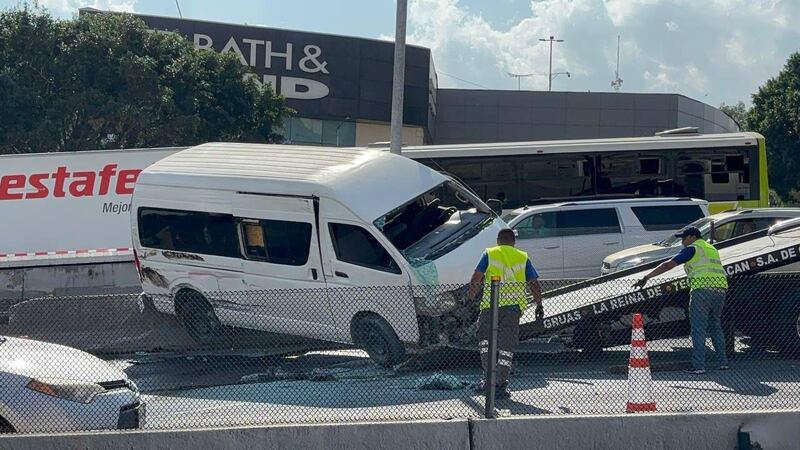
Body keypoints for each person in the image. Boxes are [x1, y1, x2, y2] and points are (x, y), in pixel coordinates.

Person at [633, 226, 729, 374]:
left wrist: (646, 277)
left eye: (684, 238)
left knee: (698, 329)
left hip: (702, 289)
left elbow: (668, 265)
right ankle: (723, 362)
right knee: (715, 326)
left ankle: (699, 366)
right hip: (720, 289)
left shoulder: (692, 249)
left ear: (692, 237)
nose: (682, 241)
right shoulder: (711, 248)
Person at [468, 228, 544, 399]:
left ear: (498, 241)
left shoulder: (489, 254)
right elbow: (533, 283)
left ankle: (488, 379)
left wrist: (471, 295)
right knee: (506, 348)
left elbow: (476, 277)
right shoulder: (522, 257)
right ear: (513, 242)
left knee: (485, 342)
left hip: (490, 307)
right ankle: (500, 383)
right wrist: (539, 304)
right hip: (512, 309)